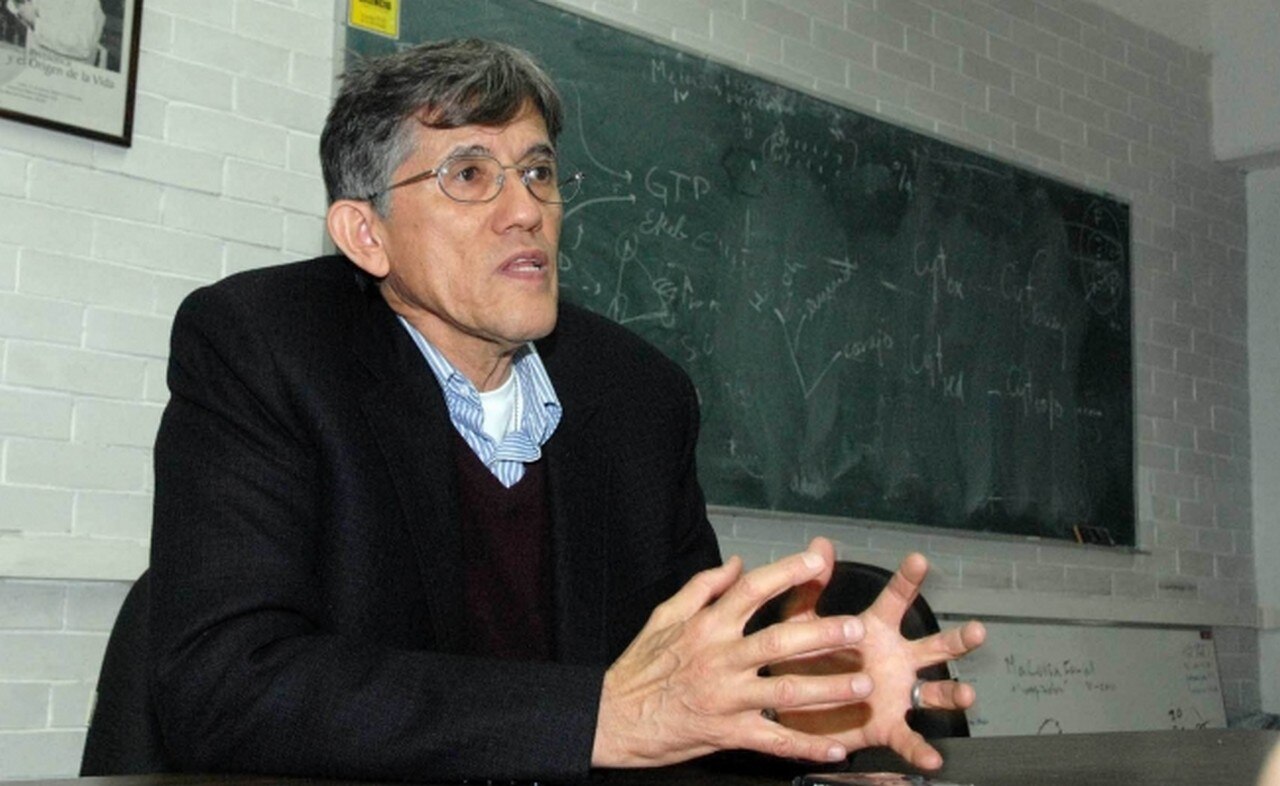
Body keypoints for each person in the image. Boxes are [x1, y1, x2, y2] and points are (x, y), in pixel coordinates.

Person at [147, 38, 985, 782]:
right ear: (367, 235)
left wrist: (797, 719)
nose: (527, 211)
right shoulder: (265, 348)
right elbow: (225, 686)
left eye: (539, 172)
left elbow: (674, 695)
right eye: (469, 173)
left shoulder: (638, 395)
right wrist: (593, 717)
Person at [6, 0, 104, 64]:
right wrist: (18, 4)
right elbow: (18, 7)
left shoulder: (88, 3)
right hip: (34, 65)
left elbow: (82, 46)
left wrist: (36, 23)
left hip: (66, 80)